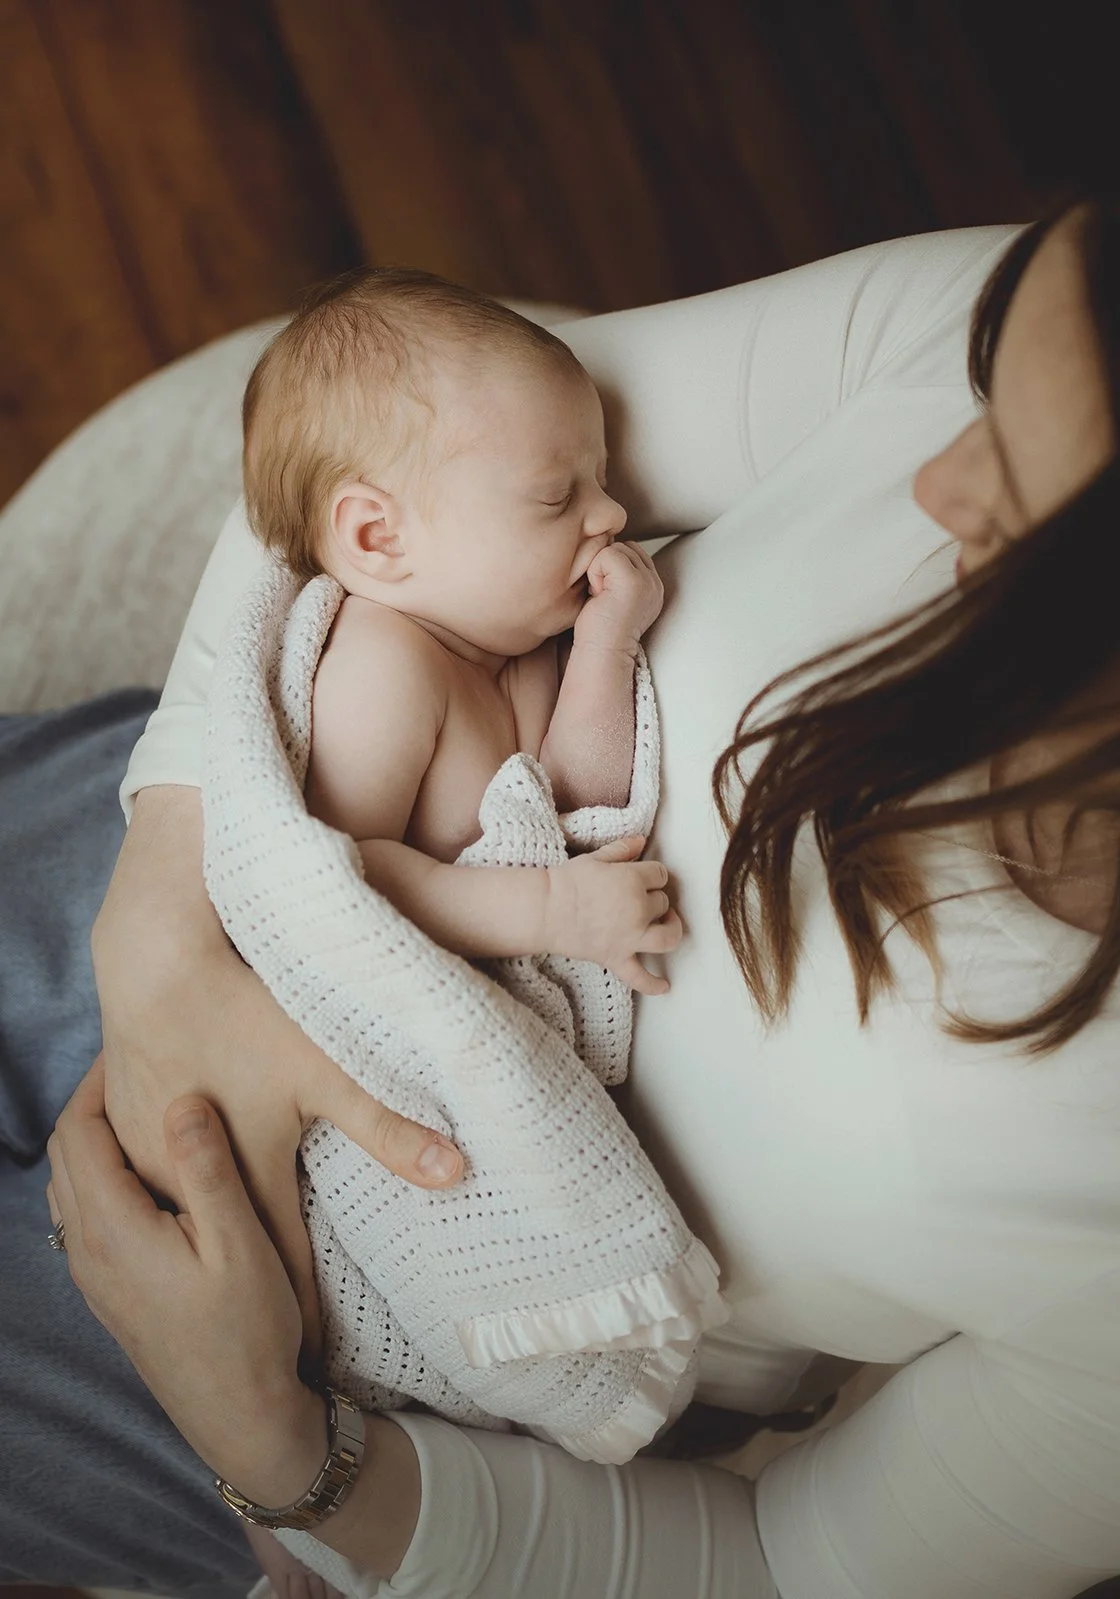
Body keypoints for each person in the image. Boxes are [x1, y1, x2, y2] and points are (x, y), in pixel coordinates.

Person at [8, 191, 1120, 1597]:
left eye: (1018, 477)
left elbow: (775, 1568)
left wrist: (288, 1451)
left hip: (378, 1302)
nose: (939, 481)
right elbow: (355, 461)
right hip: (194, 851)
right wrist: (159, 920)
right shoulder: (1025, 312)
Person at [241, 266, 678, 996]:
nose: (611, 516)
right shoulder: (382, 666)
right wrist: (549, 906)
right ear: (379, 536)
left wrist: (609, 644)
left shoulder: (525, 640)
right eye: (556, 495)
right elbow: (340, 879)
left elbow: (578, 805)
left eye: (601, 480)